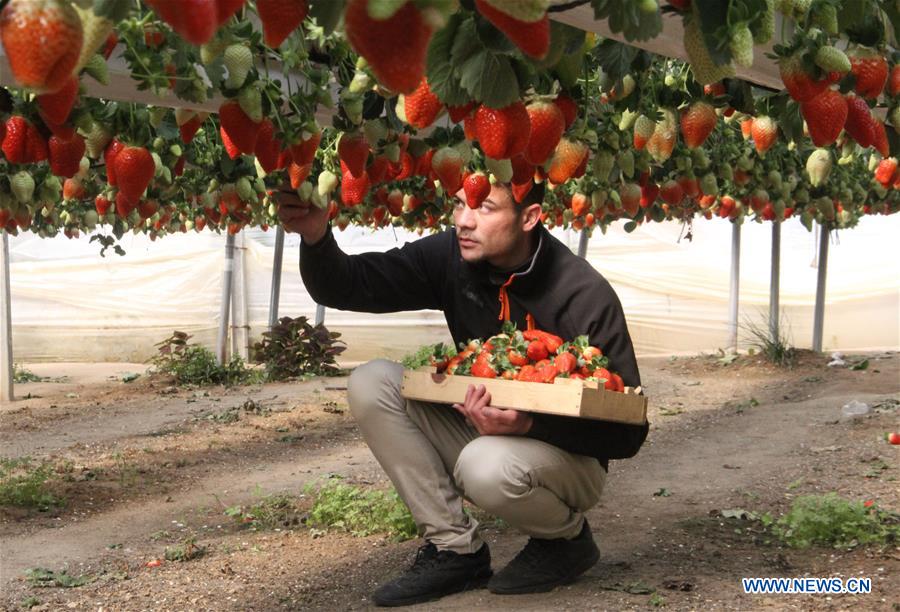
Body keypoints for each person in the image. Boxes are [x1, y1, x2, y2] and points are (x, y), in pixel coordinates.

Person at [276, 178, 648, 607]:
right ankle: (455, 551)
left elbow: (628, 432)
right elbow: (351, 285)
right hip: (486, 433)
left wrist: (529, 422)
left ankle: (566, 541)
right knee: (373, 382)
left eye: (485, 209)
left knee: (484, 464)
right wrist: (316, 236)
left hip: (569, 462)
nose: (464, 222)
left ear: (529, 217)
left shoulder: (581, 294)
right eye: (458, 206)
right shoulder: (451, 257)